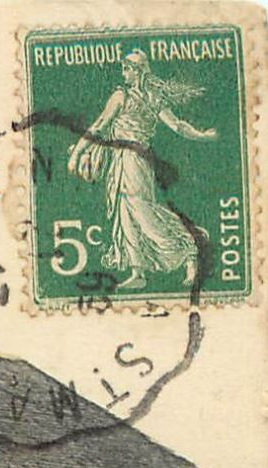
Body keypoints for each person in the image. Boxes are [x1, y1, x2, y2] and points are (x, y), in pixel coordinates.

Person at [67, 50, 218, 290]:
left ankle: (189, 249)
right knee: (125, 211)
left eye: (127, 68)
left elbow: (176, 125)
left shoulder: (146, 98)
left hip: (136, 160)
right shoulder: (123, 95)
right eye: (123, 68)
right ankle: (138, 272)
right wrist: (78, 152)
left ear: (138, 71)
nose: (123, 73)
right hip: (121, 159)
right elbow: (100, 126)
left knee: (142, 209)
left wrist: (201, 135)